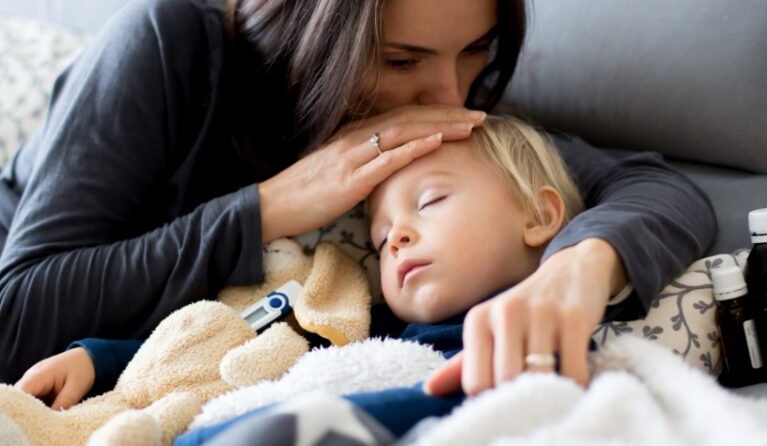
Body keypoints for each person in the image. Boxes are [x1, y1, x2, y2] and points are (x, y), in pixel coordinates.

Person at [0, 0, 715, 397]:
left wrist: (580, 268)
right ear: (313, 42)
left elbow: (652, 184)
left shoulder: (435, 110)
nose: (449, 93)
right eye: (401, 60)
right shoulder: (170, 43)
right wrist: (273, 206)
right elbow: (18, 312)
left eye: (475, 51)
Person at [17, 117, 588, 434]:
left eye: (431, 201)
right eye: (379, 237)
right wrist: (101, 359)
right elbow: (221, 340)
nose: (396, 238)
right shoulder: (356, 317)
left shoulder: (533, 334)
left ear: (539, 215)